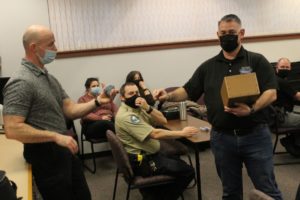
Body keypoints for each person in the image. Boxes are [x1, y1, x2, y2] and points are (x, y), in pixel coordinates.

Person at [154, 14, 283, 200]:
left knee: (267, 190)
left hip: (255, 136)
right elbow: (188, 90)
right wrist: (168, 96)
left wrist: (252, 109)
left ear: (242, 34)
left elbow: (271, 92)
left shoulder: (256, 61)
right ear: (217, 34)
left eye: (232, 32)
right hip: (222, 139)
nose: (227, 36)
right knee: (230, 192)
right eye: (223, 33)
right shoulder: (208, 67)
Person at [3, 25, 112, 200]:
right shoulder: (21, 82)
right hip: (46, 157)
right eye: (51, 44)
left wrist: (98, 101)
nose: (56, 49)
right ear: (33, 47)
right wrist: (55, 136)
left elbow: (70, 110)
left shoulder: (48, 78)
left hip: (63, 150)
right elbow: (12, 128)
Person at [115, 82, 197, 200]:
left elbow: (163, 120)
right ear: (122, 97)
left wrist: (148, 108)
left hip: (150, 153)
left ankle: (153, 193)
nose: (135, 96)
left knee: (180, 163)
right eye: (131, 93)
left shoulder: (138, 108)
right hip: (142, 160)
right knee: (188, 171)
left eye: (137, 93)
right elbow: (155, 133)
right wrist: (182, 133)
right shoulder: (127, 116)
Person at [273, 57, 300, 156]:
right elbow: (297, 96)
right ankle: (291, 143)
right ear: (276, 68)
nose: (284, 69)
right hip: (280, 118)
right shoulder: (281, 82)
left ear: (290, 69)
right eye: (282, 67)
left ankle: (294, 143)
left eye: (286, 67)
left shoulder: (273, 79)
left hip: (275, 117)